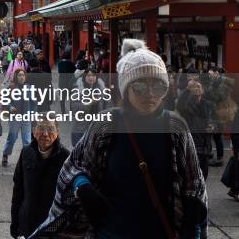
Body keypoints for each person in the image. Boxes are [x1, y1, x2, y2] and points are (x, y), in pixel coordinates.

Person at [31, 39, 207, 239]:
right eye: (140, 87)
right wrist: (82, 186)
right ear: (126, 88)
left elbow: (194, 183)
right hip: (111, 231)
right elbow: (74, 166)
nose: (150, 94)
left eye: (158, 87)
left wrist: (193, 220)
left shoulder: (175, 127)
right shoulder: (106, 124)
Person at [11, 119, 69, 238]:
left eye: (50, 129)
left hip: (53, 226)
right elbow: (18, 190)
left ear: (57, 132)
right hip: (27, 223)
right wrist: (15, 222)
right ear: (33, 131)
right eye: (41, 128)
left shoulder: (66, 158)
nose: (45, 134)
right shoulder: (26, 152)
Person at [177, 78, 214, 180]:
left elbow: (214, 120)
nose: (197, 89)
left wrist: (213, 126)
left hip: (205, 143)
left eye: (199, 87)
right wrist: (187, 89)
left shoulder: (209, 105)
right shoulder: (186, 105)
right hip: (191, 141)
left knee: (204, 172)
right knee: (191, 172)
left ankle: (201, 192)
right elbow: (179, 105)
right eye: (194, 87)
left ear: (202, 89)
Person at [69, 69, 112, 147]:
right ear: (84, 77)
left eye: (93, 75)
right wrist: (89, 103)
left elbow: (108, 105)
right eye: (88, 75)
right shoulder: (77, 89)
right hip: (81, 127)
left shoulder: (101, 89)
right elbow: (74, 107)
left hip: (97, 127)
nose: (91, 77)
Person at [2, 69, 32, 167]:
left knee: (27, 140)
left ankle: (27, 159)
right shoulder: (11, 87)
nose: (21, 77)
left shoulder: (29, 88)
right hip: (14, 117)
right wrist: (10, 106)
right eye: (19, 75)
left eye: (23, 75)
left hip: (26, 117)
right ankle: (5, 154)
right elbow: (4, 99)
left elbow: (34, 103)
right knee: (12, 138)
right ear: (16, 76)